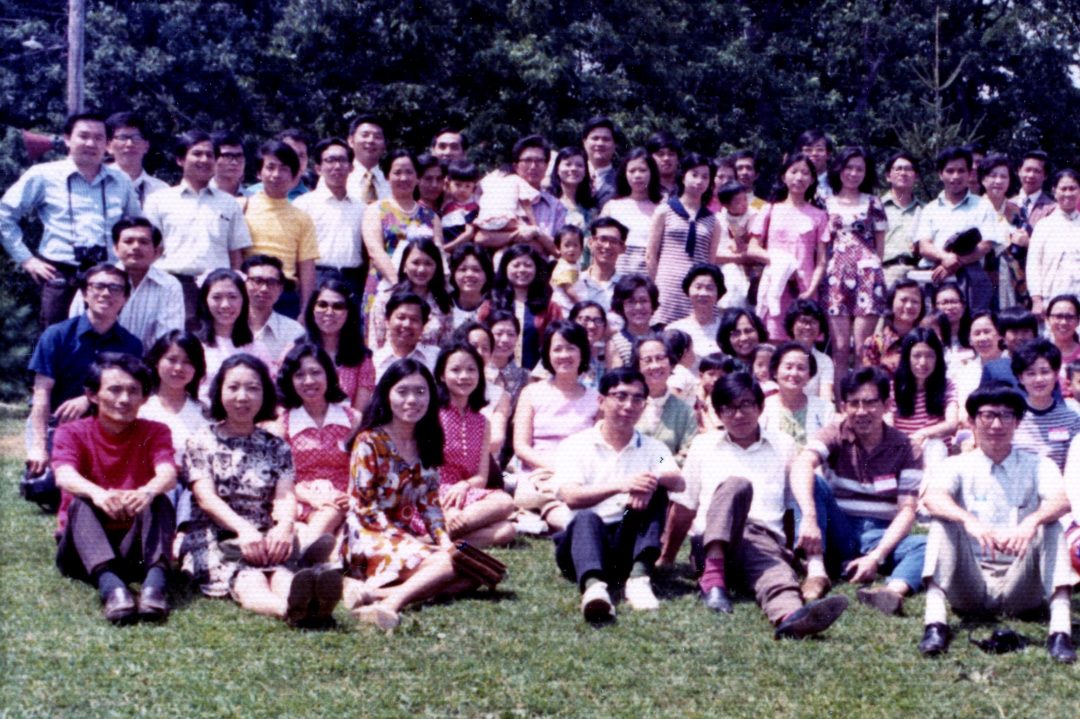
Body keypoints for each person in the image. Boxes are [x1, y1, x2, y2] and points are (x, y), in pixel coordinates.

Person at [667, 371, 849, 638]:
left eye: (745, 405)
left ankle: (791, 617)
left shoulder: (783, 444)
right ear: (717, 413)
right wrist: (667, 557)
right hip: (710, 545)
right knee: (736, 486)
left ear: (760, 407)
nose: (738, 415)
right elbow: (684, 506)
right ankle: (713, 580)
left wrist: (786, 550)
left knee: (777, 573)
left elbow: (789, 506)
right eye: (728, 408)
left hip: (761, 539)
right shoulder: (703, 445)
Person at [918, 384, 1075, 664]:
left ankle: (1060, 630)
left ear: (1017, 422)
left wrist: (1032, 520)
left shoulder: (1038, 464)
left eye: (1005, 415)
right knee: (944, 522)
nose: (996, 424)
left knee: (1050, 526)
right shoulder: (958, 464)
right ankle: (935, 624)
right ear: (973, 421)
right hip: (970, 583)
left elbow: (1062, 501)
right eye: (987, 415)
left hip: (1020, 584)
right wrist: (968, 520)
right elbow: (932, 498)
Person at [181, 354, 341, 625]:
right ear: (219, 392)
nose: (242, 397)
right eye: (233, 387)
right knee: (250, 577)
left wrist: (284, 526)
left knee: (281, 574)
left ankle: (306, 602)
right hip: (216, 534)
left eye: (253, 388)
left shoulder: (276, 445)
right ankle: (292, 612)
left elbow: (285, 494)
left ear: (265, 394)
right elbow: (205, 498)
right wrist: (243, 530)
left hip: (265, 534)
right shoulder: (200, 440)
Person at [343, 359, 476, 630]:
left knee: (472, 573)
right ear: (387, 394)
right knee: (445, 566)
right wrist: (410, 541)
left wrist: (443, 540)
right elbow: (366, 508)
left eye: (420, 391)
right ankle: (389, 606)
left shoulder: (427, 440)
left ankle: (373, 594)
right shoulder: (369, 441)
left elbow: (430, 504)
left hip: (401, 536)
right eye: (402, 392)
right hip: (368, 535)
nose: (412, 400)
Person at [791, 367, 927, 614]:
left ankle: (891, 592)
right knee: (813, 481)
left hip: (878, 534)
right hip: (838, 527)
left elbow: (907, 510)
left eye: (870, 403)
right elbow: (803, 463)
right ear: (843, 407)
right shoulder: (835, 433)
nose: (861, 411)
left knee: (927, 544)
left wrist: (876, 556)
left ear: (887, 405)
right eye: (853, 404)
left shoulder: (907, 448)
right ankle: (816, 572)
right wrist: (810, 518)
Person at [53, 354, 177, 623]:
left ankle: (155, 587)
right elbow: (64, 475)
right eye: (114, 389)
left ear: (145, 398)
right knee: (81, 502)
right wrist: (98, 493)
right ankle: (112, 589)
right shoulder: (71, 432)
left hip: (133, 548)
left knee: (159, 500)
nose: (124, 399)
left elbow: (168, 473)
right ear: (93, 395)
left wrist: (146, 491)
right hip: (80, 548)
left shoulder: (155, 431)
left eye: (134, 391)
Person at [553, 367, 683, 621]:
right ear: (601, 401)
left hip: (626, 541)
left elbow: (678, 481)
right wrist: (623, 485)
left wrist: (650, 480)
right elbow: (570, 496)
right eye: (620, 396)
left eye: (637, 399)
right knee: (586, 517)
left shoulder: (652, 447)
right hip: (581, 543)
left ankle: (639, 578)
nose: (628, 405)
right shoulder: (576, 445)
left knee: (656, 492)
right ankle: (594, 589)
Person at [1, 111, 142, 328]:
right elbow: (4, 216)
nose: (91, 143)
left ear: (107, 144)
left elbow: (136, 226)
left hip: (107, 276)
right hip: (59, 276)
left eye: (98, 138)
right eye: (83, 136)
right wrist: (27, 259)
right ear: (67, 139)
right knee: (58, 344)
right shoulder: (43, 175)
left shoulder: (121, 180)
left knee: (106, 343)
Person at [26, 264, 143, 482]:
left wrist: (89, 400)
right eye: (98, 286)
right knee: (47, 488)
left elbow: (133, 398)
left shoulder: (132, 345)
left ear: (125, 298)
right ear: (85, 293)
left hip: (110, 431)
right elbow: (41, 394)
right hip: (60, 427)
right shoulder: (56, 336)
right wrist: (38, 446)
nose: (106, 293)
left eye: (115, 288)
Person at [143, 129, 252, 321]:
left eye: (210, 155)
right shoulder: (159, 200)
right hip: (171, 284)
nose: (204, 159)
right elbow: (151, 250)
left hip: (215, 288)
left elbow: (236, 255)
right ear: (180, 159)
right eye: (197, 153)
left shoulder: (229, 203)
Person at [511, 321, 600, 533]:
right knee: (552, 498)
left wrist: (572, 472)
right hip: (539, 473)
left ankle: (542, 517)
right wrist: (556, 469)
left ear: (582, 353)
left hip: (580, 475)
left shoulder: (597, 399)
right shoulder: (531, 393)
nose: (564, 355)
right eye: (557, 348)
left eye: (571, 348)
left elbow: (598, 445)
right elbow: (521, 447)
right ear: (548, 354)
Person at [273, 342, 357, 552]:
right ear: (290, 380)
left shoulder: (352, 419)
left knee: (334, 518)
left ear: (328, 375)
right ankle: (311, 554)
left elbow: (364, 468)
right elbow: (278, 477)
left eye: (315, 372)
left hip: (342, 500)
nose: (309, 381)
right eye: (299, 375)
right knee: (328, 524)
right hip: (300, 498)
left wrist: (349, 495)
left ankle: (304, 554)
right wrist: (311, 497)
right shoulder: (283, 424)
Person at [434, 342, 516, 547]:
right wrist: (448, 507)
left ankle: (436, 538)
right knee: (504, 511)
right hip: (433, 493)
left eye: (471, 370)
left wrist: (463, 486)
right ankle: (439, 527)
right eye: (456, 370)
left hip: (467, 493)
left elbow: (481, 477)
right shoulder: (431, 415)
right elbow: (424, 470)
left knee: (507, 528)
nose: (464, 376)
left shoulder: (482, 422)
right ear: (442, 375)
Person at [746, 153, 828, 341]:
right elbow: (752, 249)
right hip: (776, 284)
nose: (799, 177)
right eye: (794, 171)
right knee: (772, 339)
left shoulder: (819, 215)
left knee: (803, 343)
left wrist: (810, 291)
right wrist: (780, 262)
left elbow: (822, 261)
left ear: (813, 179)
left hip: (804, 287)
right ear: (784, 176)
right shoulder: (770, 209)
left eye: (805, 173)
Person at [68, 217, 184, 350]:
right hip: (95, 363)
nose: (136, 247)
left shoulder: (169, 286)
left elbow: (168, 338)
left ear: (156, 251)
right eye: (128, 241)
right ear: (116, 249)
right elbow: (75, 327)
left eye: (144, 242)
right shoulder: (95, 280)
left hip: (146, 366)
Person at [823, 147, 887, 387]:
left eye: (859, 168)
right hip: (834, 278)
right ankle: (840, 406)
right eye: (848, 167)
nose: (853, 173)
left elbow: (879, 246)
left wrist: (870, 269)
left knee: (863, 348)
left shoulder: (874, 203)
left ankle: (863, 400)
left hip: (867, 278)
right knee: (839, 349)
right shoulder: (825, 203)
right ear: (839, 169)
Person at [914, 147, 1003, 312]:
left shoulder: (982, 206)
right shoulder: (930, 209)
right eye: (950, 171)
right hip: (934, 277)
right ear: (941, 174)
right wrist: (946, 258)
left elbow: (986, 245)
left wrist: (954, 263)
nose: (955, 176)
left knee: (972, 325)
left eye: (961, 171)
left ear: (970, 174)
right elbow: (924, 246)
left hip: (971, 279)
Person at [139, 331, 208, 531]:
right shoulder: (141, 408)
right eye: (171, 359)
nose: (179, 368)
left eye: (187, 362)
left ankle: (181, 537)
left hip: (192, 484)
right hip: (152, 483)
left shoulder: (203, 412)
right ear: (156, 362)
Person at [243, 140, 320, 318]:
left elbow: (307, 269)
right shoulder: (243, 208)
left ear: (294, 176)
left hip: (285, 297)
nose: (276, 174)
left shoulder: (302, 218)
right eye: (270, 167)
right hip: (249, 293)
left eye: (284, 168)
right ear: (258, 173)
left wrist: (304, 311)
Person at [646, 152, 721, 325]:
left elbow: (710, 263)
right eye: (694, 175)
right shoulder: (665, 211)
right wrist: (656, 289)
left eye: (705, 177)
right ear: (683, 176)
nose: (699, 181)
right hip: (667, 289)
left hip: (697, 292)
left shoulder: (713, 221)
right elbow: (650, 255)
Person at [360, 150, 442, 295]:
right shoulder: (375, 210)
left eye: (409, 172)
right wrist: (399, 285)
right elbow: (375, 251)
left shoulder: (431, 217)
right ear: (387, 177)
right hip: (384, 288)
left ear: (417, 177)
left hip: (421, 292)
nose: (403, 178)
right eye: (397, 173)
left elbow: (438, 256)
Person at [294, 137, 367, 296]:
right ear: (318, 168)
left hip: (353, 280)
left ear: (351, 167)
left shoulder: (362, 208)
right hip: (317, 277)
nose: (337, 166)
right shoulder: (304, 204)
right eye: (330, 160)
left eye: (342, 160)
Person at [475, 134, 565, 257]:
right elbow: (482, 238)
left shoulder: (556, 206)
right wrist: (519, 235)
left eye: (539, 161)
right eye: (527, 160)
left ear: (547, 166)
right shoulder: (500, 194)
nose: (533, 166)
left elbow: (560, 250)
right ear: (515, 166)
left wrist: (536, 233)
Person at [479, 244, 562, 370]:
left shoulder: (550, 308)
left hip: (537, 378)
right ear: (505, 268)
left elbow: (557, 343)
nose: (522, 270)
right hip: (495, 376)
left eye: (528, 265)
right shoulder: (491, 305)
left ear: (536, 269)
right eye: (516, 265)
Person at [303, 277, 375, 412]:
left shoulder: (362, 359)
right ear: (312, 309)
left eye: (338, 306)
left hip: (348, 429)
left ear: (349, 313)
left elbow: (358, 414)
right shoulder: (296, 351)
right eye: (322, 305)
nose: (329, 312)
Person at [369, 238, 454, 349]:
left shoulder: (443, 304)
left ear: (437, 268)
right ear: (404, 266)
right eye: (415, 263)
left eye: (428, 264)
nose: (421, 269)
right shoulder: (385, 300)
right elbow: (375, 345)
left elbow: (446, 348)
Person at [890, 328, 957, 464]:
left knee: (936, 445)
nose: (923, 362)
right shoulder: (893, 387)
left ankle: (932, 485)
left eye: (930, 356)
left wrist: (923, 434)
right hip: (904, 452)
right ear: (907, 357)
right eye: (916, 356)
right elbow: (888, 426)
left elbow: (952, 424)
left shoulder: (946, 386)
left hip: (935, 455)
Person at [1010, 338, 1080, 470]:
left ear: (1056, 374)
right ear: (1020, 378)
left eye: (1045, 372)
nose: (1039, 379)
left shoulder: (1072, 419)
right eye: (1031, 373)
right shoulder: (1010, 417)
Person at [631, 334, 698, 464]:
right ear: (637, 366)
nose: (655, 366)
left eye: (660, 358)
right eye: (647, 360)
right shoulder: (627, 404)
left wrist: (660, 462)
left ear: (671, 364)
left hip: (668, 480)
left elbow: (687, 454)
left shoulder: (684, 412)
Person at [760, 342, 835, 447]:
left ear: (809, 376)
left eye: (801, 368)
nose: (794, 373)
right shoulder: (763, 408)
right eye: (788, 367)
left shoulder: (825, 409)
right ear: (775, 372)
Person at [1028, 169, 1080, 317]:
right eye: (1063, 189)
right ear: (1054, 191)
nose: (1068, 193)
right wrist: (1037, 300)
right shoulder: (1044, 226)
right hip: (1051, 298)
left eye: (1073, 188)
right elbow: (1033, 264)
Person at [602, 148, 662, 275]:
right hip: (614, 277)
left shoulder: (662, 209)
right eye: (632, 171)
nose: (637, 175)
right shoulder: (612, 206)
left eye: (643, 170)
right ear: (625, 174)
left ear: (652, 173)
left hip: (647, 279)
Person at [241, 254, 306, 367]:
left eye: (271, 282)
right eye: (257, 281)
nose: (264, 289)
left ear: (280, 289)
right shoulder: (227, 326)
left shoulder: (293, 331)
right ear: (242, 284)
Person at [861, 279, 924, 377]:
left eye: (915, 301)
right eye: (903, 300)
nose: (909, 306)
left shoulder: (925, 341)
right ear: (891, 302)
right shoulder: (875, 343)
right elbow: (871, 382)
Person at [371, 291, 439, 382]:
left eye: (414, 319)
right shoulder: (374, 361)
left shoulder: (435, 357)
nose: (407, 324)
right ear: (387, 321)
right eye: (401, 317)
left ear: (423, 326)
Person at [104, 111, 168, 206]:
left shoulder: (161, 190)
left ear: (146, 145)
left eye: (136, 137)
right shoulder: (99, 185)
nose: (129, 144)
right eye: (122, 137)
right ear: (108, 146)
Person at [880, 151, 923, 288]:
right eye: (898, 169)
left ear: (915, 176)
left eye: (908, 169)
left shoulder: (926, 210)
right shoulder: (876, 207)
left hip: (918, 272)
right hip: (886, 272)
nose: (903, 173)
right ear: (888, 176)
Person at [667, 262, 725, 362]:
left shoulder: (726, 329)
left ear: (718, 293)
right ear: (688, 290)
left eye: (709, 288)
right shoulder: (675, 330)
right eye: (698, 287)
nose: (703, 293)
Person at [783, 299, 834, 401]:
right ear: (792, 325)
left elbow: (825, 399)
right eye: (802, 321)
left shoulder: (824, 361)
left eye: (813, 322)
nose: (807, 327)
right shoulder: (780, 356)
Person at [978, 306, 1039, 391]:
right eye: (1014, 332)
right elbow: (981, 402)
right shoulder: (993, 368)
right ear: (1002, 336)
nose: (1020, 337)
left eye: (1026, 331)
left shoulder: (1044, 364)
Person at [607, 274, 661, 367]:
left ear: (652, 304)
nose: (638, 307)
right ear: (621, 306)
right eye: (631, 302)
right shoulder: (615, 344)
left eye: (644, 301)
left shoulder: (662, 338)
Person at [245, 129, 312, 201]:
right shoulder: (250, 194)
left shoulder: (311, 200)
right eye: (289, 154)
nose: (296, 161)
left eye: (301, 155)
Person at [345, 114, 389, 203]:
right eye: (365, 135)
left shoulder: (391, 181)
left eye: (377, 137)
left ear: (385, 145)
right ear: (351, 141)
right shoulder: (339, 177)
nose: (371, 140)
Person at [448, 244, 494, 329]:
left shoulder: (495, 307)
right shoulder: (443, 305)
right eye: (463, 269)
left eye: (476, 270)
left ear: (486, 274)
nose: (469, 274)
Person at [568, 301, 612, 389]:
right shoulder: (559, 353)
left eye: (598, 321)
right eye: (585, 320)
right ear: (572, 321)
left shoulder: (607, 357)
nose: (592, 326)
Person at [549, 146, 595, 229]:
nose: (574, 169)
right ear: (557, 169)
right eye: (568, 164)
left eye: (579, 165)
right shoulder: (548, 202)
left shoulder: (591, 209)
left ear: (585, 171)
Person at [440, 160, 481, 250]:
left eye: (467, 186)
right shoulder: (446, 205)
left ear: (474, 187)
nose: (462, 190)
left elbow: (469, 233)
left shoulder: (472, 208)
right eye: (458, 185)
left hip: (461, 249)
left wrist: (446, 248)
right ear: (448, 184)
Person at [1045, 294, 1080, 394]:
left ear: (1078, 321)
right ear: (1047, 319)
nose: (1064, 322)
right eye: (1058, 316)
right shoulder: (1039, 354)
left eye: (1069, 317)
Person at [582, 116, 618, 207]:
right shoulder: (570, 175)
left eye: (606, 139)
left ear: (615, 145)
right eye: (595, 138)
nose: (600, 143)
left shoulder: (622, 181)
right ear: (584, 142)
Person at [550, 224, 587, 311]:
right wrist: (581, 305)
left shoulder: (573, 264)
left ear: (581, 248)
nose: (571, 249)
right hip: (562, 306)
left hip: (570, 305)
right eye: (567, 246)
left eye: (575, 245)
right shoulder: (563, 267)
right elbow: (569, 291)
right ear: (558, 248)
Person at [796, 128, 832, 198]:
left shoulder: (838, 182)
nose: (814, 153)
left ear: (828, 155)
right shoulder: (793, 182)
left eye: (820, 149)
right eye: (808, 150)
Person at [210, 130, 246, 197]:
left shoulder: (253, 201)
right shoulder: (197, 197)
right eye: (227, 156)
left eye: (239, 156)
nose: (235, 162)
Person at [646, 130, 682, 199]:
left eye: (671, 154)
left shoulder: (686, 187)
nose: (666, 158)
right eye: (660, 154)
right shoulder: (643, 188)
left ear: (678, 158)